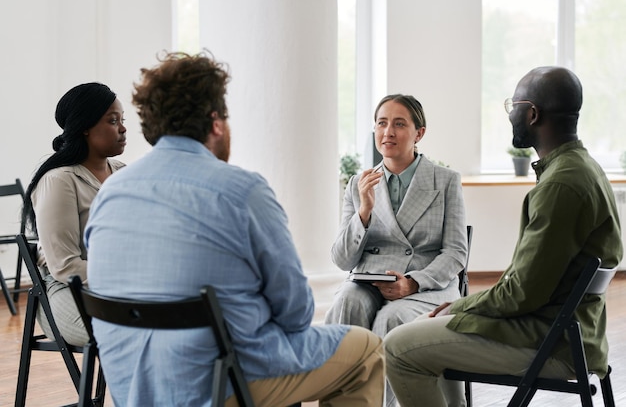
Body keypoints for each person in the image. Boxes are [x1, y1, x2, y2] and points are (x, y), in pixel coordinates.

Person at [83, 50, 384, 407]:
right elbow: (297, 312)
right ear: (216, 122)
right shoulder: (242, 191)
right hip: (221, 385)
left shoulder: (110, 193)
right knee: (366, 352)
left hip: (134, 387)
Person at [384, 66, 624, 407]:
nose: (510, 113)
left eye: (514, 104)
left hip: (549, 343)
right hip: (568, 332)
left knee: (398, 347)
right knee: (426, 338)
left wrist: (461, 305)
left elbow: (522, 293)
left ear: (532, 113)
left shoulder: (560, 184)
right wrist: (460, 309)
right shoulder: (582, 168)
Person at [325, 94, 468, 406]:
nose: (387, 132)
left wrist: (413, 282)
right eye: (381, 123)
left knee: (392, 318)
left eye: (399, 124)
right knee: (347, 303)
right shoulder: (358, 184)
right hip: (370, 281)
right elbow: (341, 259)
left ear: (419, 133)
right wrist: (363, 211)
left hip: (427, 286)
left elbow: (456, 252)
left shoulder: (445, 181)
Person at [21, 82, 126, 346]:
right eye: (113, 121)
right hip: (68, 290)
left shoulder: (124, 172)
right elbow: (65, 266)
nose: (123, 129)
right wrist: (126, 276)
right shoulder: (59, 180)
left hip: (118, 285)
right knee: (129, 331)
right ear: (86, 127)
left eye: (123, 120)